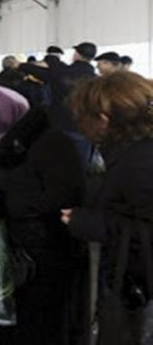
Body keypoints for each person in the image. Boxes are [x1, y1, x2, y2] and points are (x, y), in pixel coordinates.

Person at [0, 86, 85, 345]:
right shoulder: (4, 142)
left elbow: (61, 197)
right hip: (11, 251)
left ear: (1, 115)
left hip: (44, 256)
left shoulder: (52, 144)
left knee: (35, 327)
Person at [63, 72, 153, 345]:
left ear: (104, 118)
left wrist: (85, 221)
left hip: (140, 286)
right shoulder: (136, 150)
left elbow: (145, 229)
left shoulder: (137, 161)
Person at [20, 41, 97, 163]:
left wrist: (20, 65)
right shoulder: (96, 79)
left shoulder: (61, 72)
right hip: (84, 127)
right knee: (79, 166)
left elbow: (35, 70)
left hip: (59, 124)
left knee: (57, 164)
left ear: (76, 54)